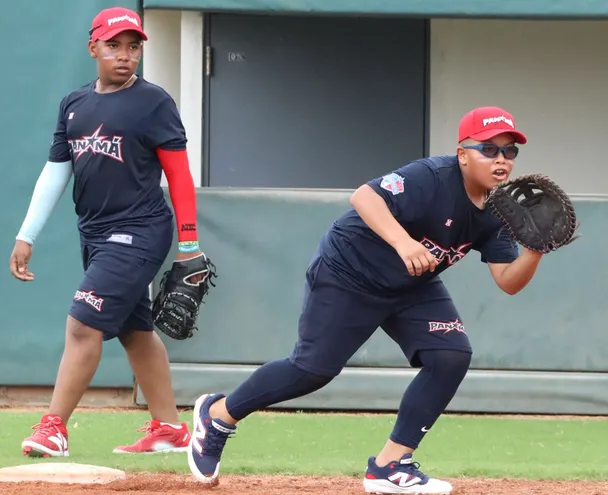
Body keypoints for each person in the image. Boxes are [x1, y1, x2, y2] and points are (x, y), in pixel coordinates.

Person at [187, 106, 543, 494]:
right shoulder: (432, 176)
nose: (501, 160)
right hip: (349, 271)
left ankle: (390, 466)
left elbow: (507, 281)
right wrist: (404, 242)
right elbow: (364, 197)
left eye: (510, 152)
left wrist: (536, 251)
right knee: (312, 369)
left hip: (411, 284)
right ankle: (218, 415)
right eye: (488, 150)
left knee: (451, 355)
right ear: (462, 154)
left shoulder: (498, 210)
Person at [9, 6, 204, 457]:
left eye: (133, 47)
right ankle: (170, 429)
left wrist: (189, 244)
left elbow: (178, 176)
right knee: (135, 330)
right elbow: (56, 172)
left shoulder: (153, 102)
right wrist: (27, 234)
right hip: (94, 233)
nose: (125, 55)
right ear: (93, 47)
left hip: (140, 229)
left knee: (82, 322)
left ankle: (53, 426)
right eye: (114, 45)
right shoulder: (75, 104)